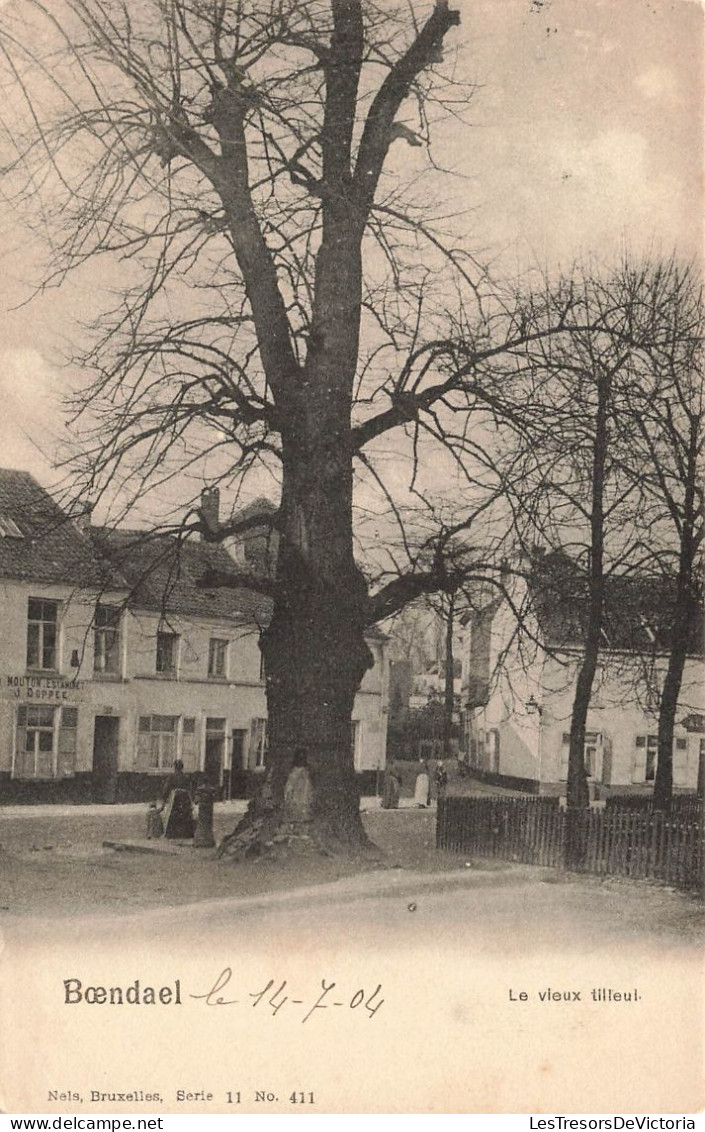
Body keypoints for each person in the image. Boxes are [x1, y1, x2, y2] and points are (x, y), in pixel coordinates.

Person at [160, 759, 195, 839]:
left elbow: (166, 788)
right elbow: (190, 788)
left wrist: (164, 799)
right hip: (185, 798)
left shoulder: (172, 777)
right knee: (185, 814)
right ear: (182, 767)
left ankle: (172, 834)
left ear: (175, 767)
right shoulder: (186, 777)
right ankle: (186, 834)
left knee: (173, 814)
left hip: (175, 798)